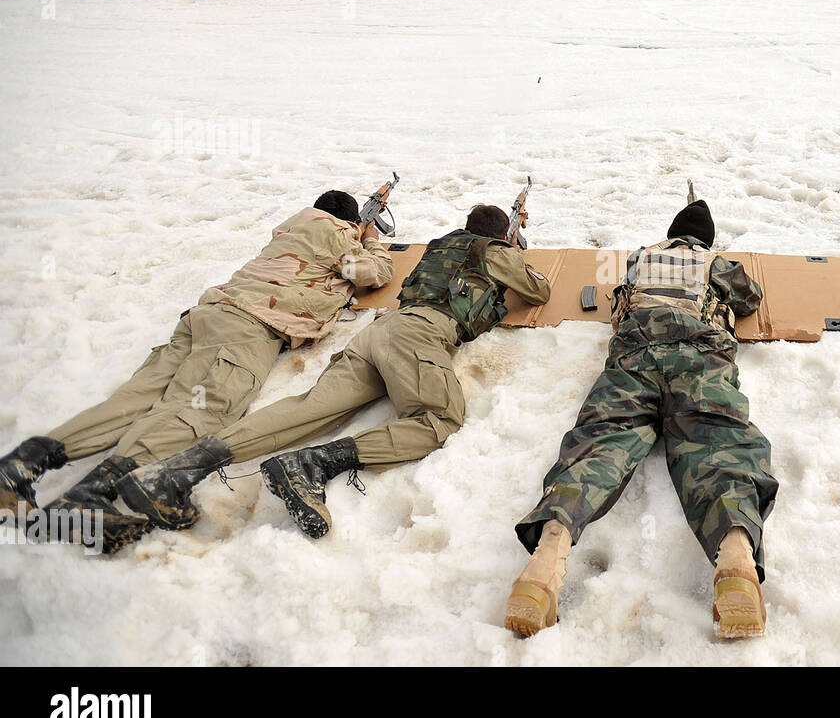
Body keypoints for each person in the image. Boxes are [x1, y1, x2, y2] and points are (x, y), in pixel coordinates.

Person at [110, 204, 551, 543]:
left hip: (378, 335)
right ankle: (312, 465)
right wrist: (514, 253)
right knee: (439, 418)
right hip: (420, 336)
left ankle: (176, 470)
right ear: (499, 236)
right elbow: (539, 290)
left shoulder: (441, 245)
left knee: (311, 408)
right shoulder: (494, 251)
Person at [0, 192, 394, 551]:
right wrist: (369, 235)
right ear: (348, 220)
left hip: (207, 316)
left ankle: (19, 465)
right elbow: (371, 271)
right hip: (247, 327)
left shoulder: (291, 229)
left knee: (135, 400)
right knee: (200, 409)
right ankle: (90, 494)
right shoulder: (340, 233)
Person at [506, 199, 778, 639]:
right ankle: (735, 561)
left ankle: (546, 560)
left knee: (600, 442)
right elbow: (750, 300)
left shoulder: (640, 256)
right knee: (718, 443)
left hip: (633, 356)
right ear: (705, 240)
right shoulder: (712, 261)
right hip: (699, 358)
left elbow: (620, 304)